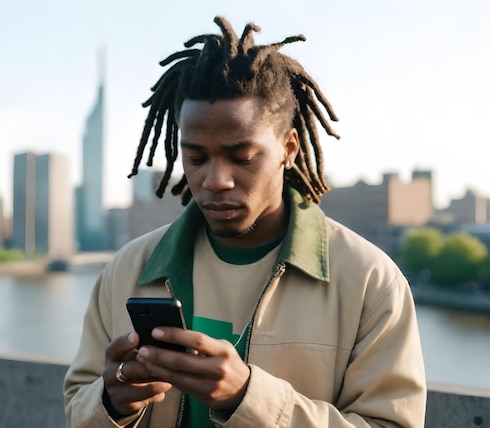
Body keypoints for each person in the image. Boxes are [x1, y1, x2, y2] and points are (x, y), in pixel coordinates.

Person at [64, 16, 426, 427]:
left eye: (242, 157)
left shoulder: (371, 283)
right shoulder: (126, 270)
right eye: (196, 158)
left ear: (288, 148)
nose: (215, 180)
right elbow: (78, 406)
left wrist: (246, 397)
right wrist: (113, 402)